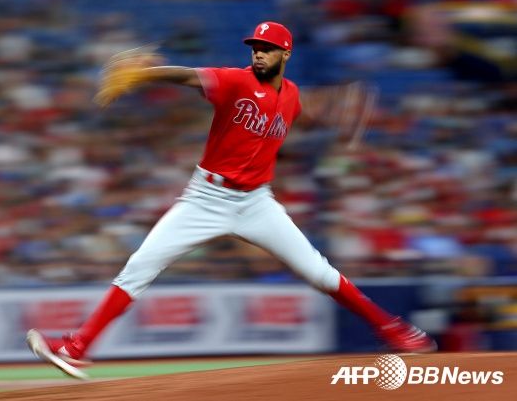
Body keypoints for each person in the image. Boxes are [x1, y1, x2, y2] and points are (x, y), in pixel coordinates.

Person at [27, 21, 436, 379]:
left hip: (257, 203)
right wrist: (148, 74)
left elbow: (304, 107)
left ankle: (395, 330)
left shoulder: (291, 96)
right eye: (255, 47)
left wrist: (339, 109)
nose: (258, 54)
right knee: (140, 266)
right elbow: (190, 77)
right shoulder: (235, 81)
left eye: (267, 49)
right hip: (205, 198)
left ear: (285, 54)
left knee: (320, 273)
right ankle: (77, 348)